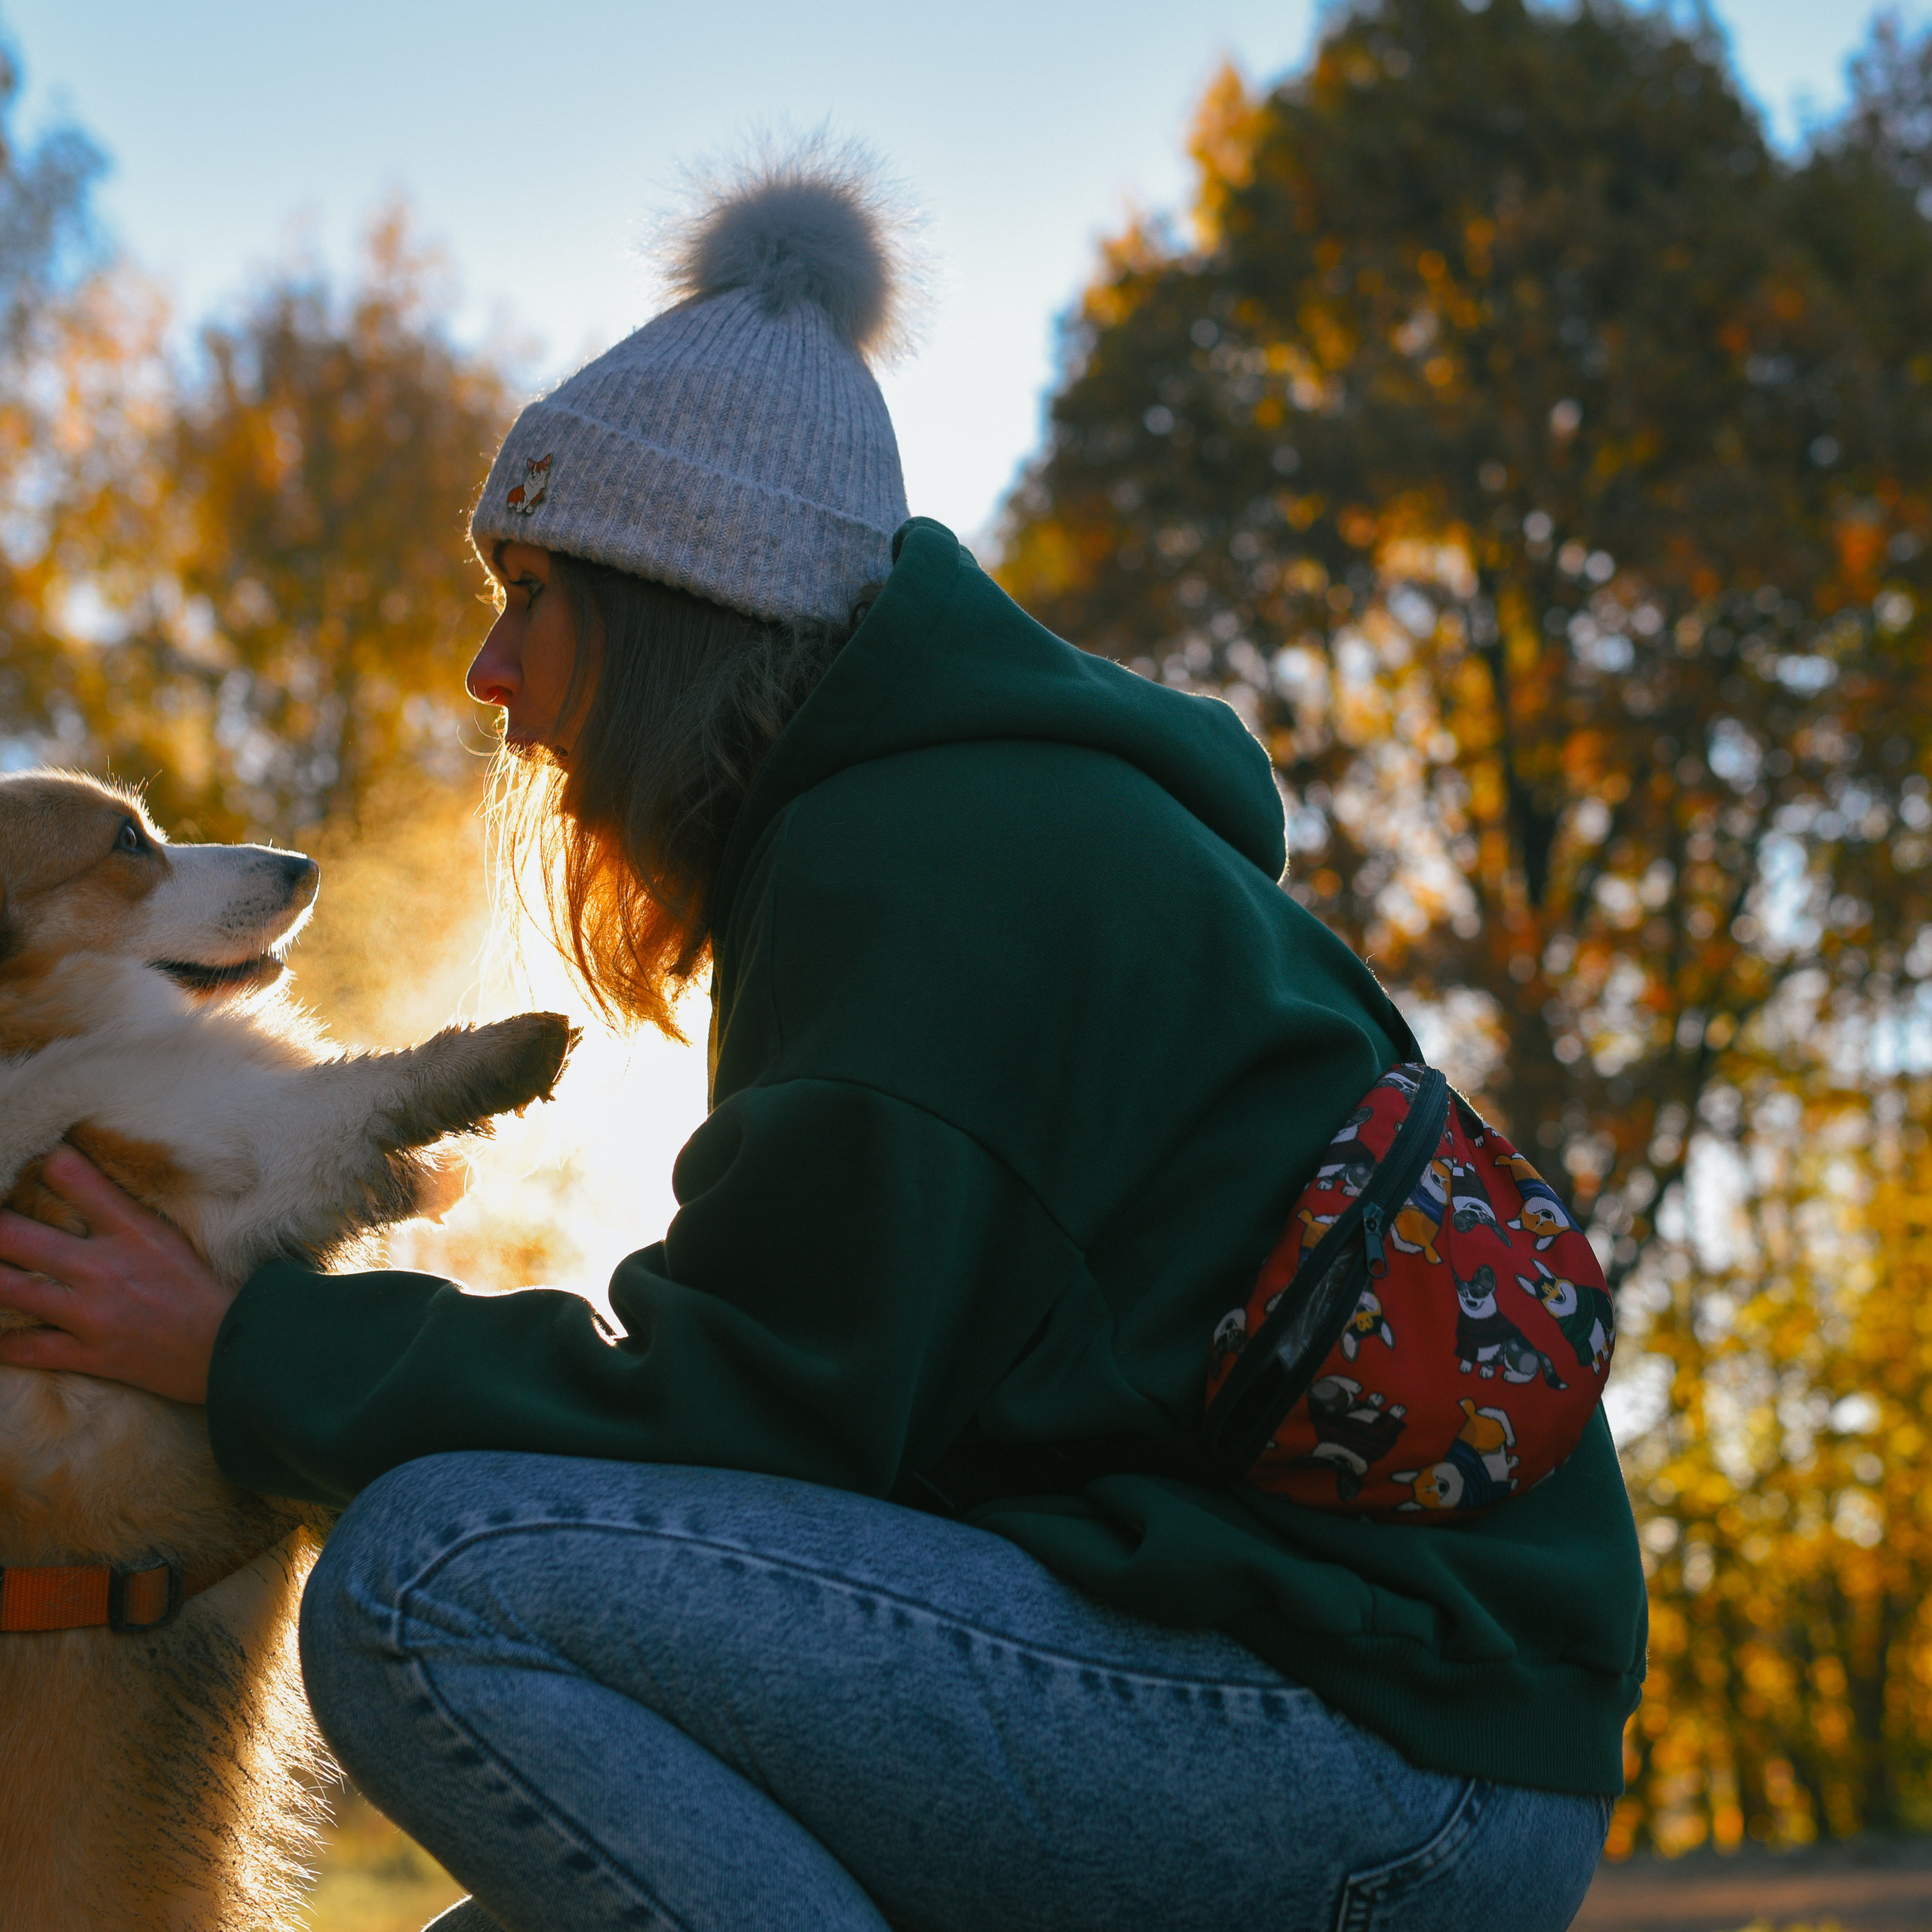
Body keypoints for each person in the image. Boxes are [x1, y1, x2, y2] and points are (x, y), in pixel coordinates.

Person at [0, 150, 1643, 1932]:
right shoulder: (943, 827)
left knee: (431, 1573)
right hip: (1306, 1701)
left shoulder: (916, 866)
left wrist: (252, 1349)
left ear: (667, 606)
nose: (489, 671)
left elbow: (749, 1418)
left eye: (531, 592)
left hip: (1373, 1770)